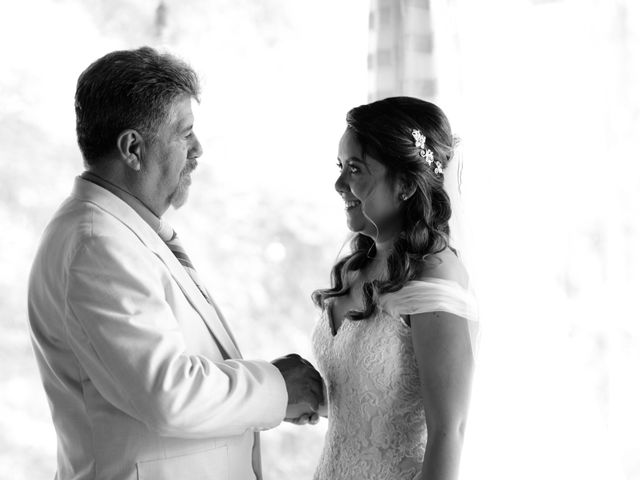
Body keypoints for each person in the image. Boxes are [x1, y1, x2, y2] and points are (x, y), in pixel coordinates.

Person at [27, 46, 322, 480]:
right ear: (132, 147)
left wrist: (272, 392)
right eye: (184, 133)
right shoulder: (97, 246)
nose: (198, 150)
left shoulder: (121, 232)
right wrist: (276, 388)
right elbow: (168, 393)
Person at [311, 97, 479, 480]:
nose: (339, 184)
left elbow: (447, 432)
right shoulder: (356, 267)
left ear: (404, 183)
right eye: (340, 167)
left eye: (355, 169)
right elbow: (373, 397)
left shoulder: (434, 275)